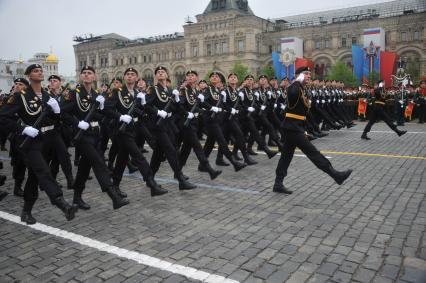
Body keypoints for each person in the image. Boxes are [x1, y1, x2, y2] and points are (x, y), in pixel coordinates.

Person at [0, 64, 77, 224]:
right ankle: (62, 204)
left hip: (46, 140)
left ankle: (26, 211)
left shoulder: (47, 95)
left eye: (41, 70)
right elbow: (3, 117)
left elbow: (54, 121)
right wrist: (23, 128)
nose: (40, 72)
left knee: (34, 178)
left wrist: (57, 112)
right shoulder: (21, 96)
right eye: (36, 71)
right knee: (44, 171)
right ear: (29, 75)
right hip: (29, 143)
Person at [273, 67, 352, 194]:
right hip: (292, 128)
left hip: (295, 127)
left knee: (286, 156)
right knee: (313, 152)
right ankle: (335, 175)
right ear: (299, 75)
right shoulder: (295, 87)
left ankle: (278, 183)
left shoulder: (303, 89)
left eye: (310, 74)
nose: (309, 76)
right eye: (306, 74)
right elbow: (291, 94)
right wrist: (297, 81)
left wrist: (305, 128)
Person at [61, 66, 129, 210]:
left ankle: (77, 198)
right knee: (99, 164)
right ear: (81, 77)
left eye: (89, 73)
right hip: (82, 136)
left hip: (95, 134)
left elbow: (100, 115)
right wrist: (77, 123)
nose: (86, 75)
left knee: (84, 169)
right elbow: (62, 113)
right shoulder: (74, 94)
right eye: (84, 73)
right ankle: (114, 197)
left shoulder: (96, 94)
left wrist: (103, 108)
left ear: (94, 77)